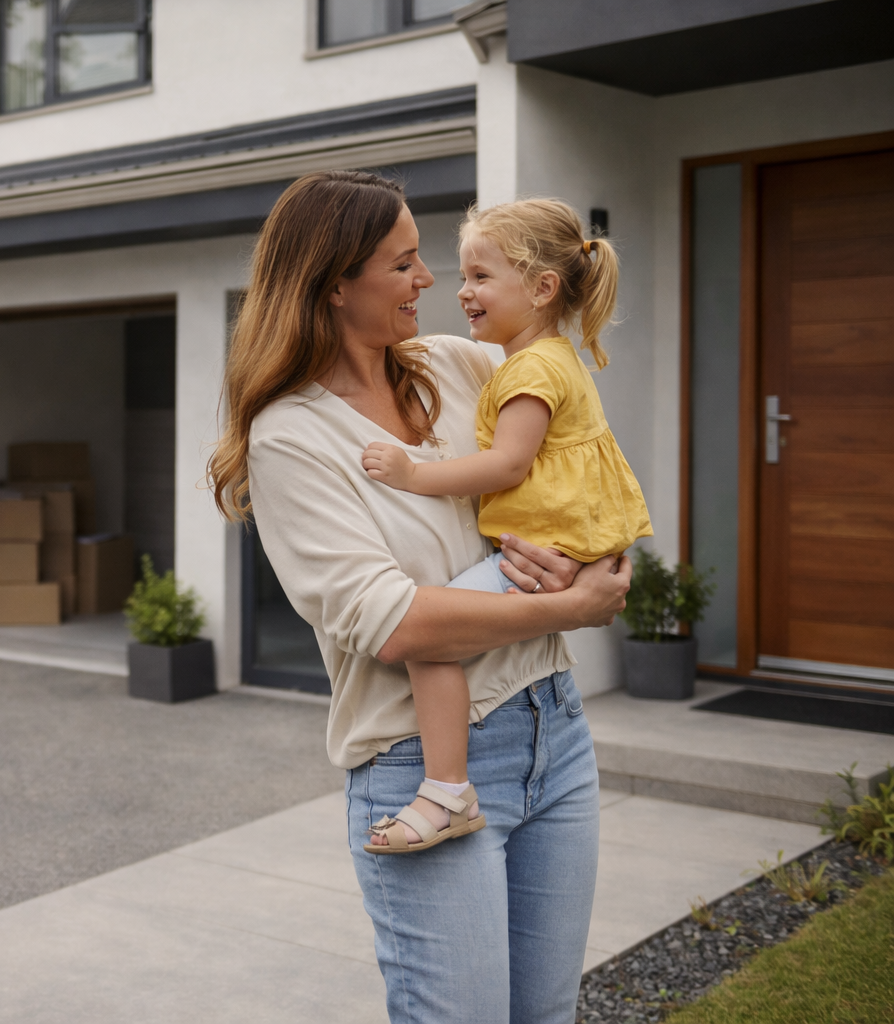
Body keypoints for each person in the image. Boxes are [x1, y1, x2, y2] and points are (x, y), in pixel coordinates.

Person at [208, 169, 631, 1023]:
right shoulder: (292, 436)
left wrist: (595, 560)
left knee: (545, 1015)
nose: (430, 281)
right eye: (404, 264)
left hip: (552, 729)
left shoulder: (458, 364)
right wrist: (568, 607)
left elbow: (579, 455)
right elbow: (398, 624)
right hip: (419, 763)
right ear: (334, 283)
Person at [357, 198, 651, 854]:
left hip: (547, 552)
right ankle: (450, 790)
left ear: (543, 287)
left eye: (481, 277)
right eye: (464, 277)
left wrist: (412, 474)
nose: (462, 292)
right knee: (438, 640)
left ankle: (446, 794)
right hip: (558, 548)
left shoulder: (534, 370)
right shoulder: (538, 360)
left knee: (431, 644)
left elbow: (507, 463)